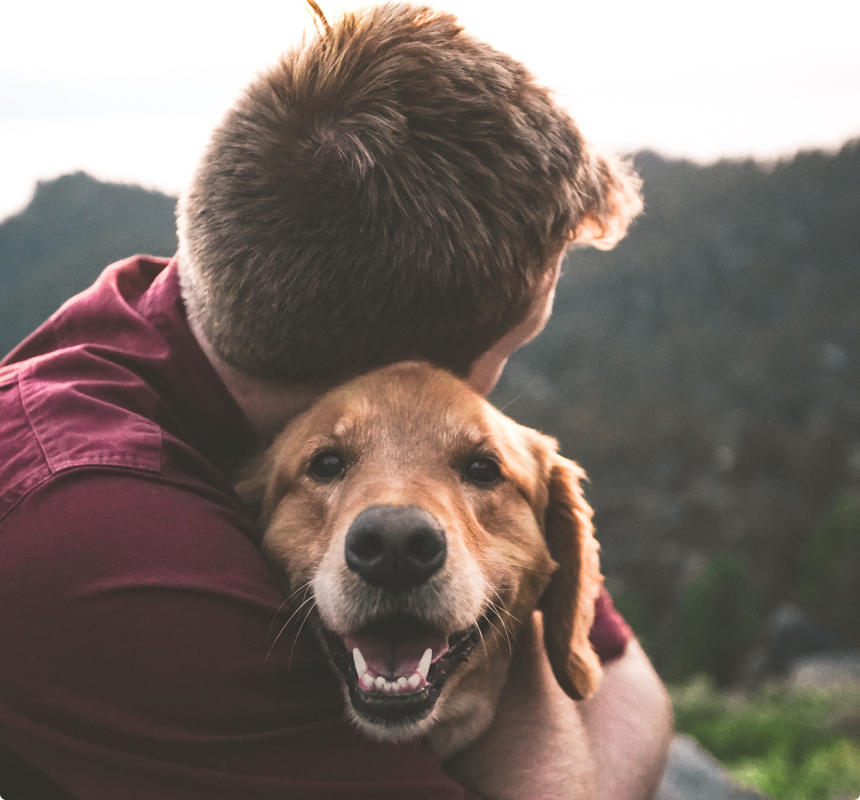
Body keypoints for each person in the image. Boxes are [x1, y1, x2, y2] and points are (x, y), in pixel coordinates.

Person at [0, 4, 672, 798]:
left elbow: (630, 684)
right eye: (507, 352)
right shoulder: (97, 531)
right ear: (401, 372)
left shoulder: (191, 314)